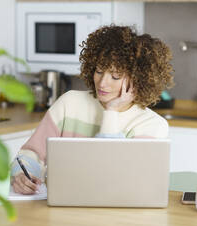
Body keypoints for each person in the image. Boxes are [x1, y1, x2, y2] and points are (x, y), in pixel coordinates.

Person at [11, 25, 174, 195]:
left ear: (137, 80)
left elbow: (112, 178)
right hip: (61, 207)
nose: (102, 83)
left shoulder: (152, 125)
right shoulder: (69, 103)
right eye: (99, 71)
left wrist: (111, 112)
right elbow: (30, 153)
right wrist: (22, 175)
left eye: (115, 76)